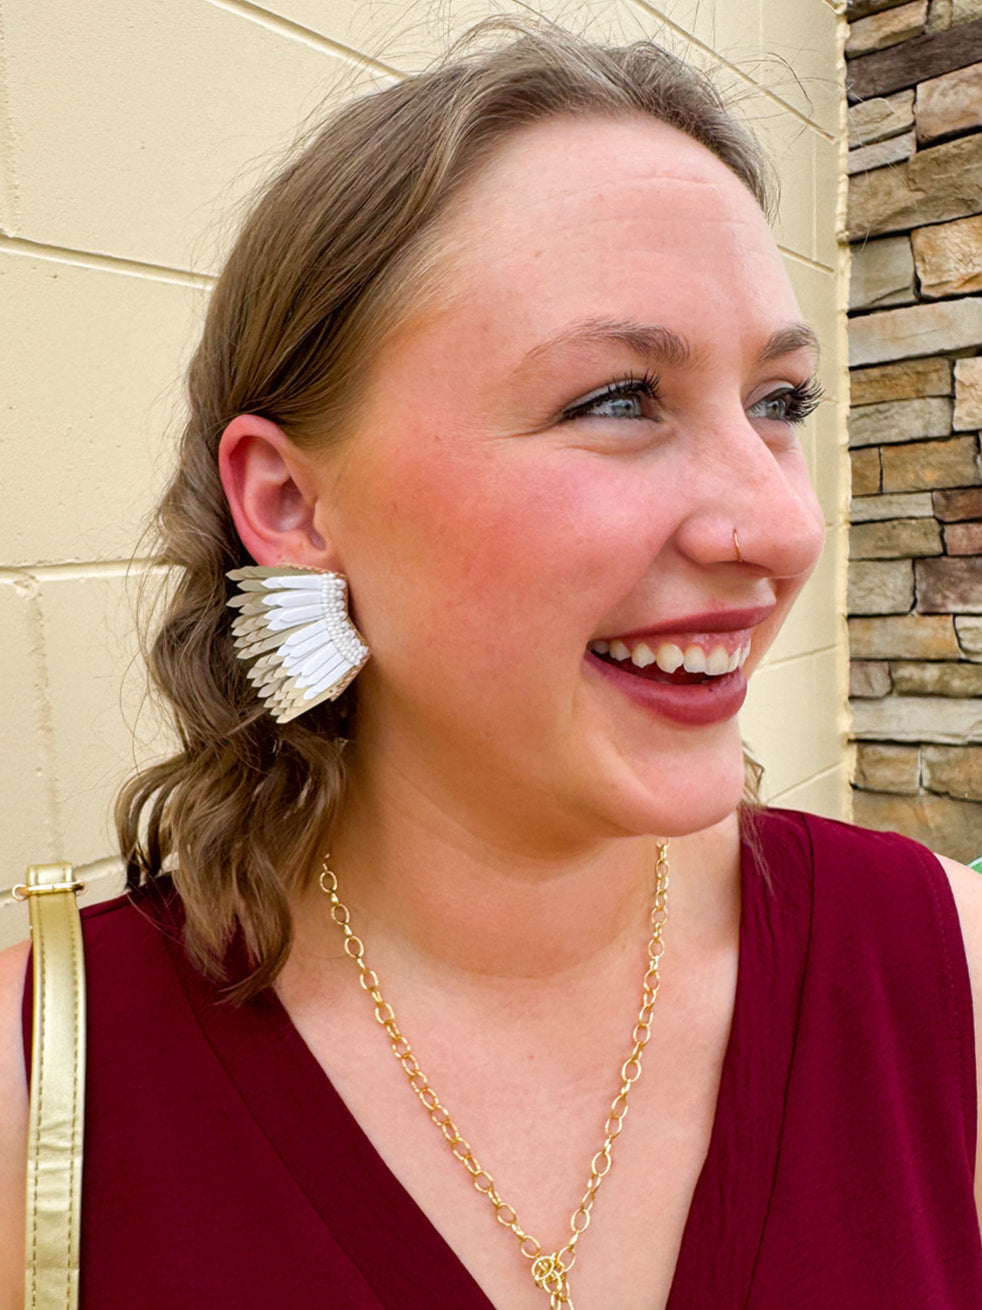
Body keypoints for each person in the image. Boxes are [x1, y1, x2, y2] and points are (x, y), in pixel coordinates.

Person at [1, 18, 981, 1310]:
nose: (782, 526)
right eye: (617, 398)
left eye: (777, 402)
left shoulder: (940, 967)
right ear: (291, 502)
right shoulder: (46, 1085)